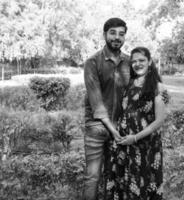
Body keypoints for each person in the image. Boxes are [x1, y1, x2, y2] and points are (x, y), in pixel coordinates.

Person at [105, 47, 169, 200]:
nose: (137, 64)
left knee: (144, 182)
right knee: (124, 182)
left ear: (150, 62)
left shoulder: (158, 87)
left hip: (144, 144)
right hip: (124, 142)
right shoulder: (131, 83)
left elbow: (159, 120)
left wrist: (134, 138)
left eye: (141, 60)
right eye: (134, 61)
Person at [83, 18, 130, 200]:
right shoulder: (92, 62)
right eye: (112, 32)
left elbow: (143, 86)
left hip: (120, 129)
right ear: (104, 35)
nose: (117, 37)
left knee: (115, 177)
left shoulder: (129, 62)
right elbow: (97, 104)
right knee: (93, 177)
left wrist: (161, 90)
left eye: (121, 34)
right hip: (97, 128)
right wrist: (114, 130)